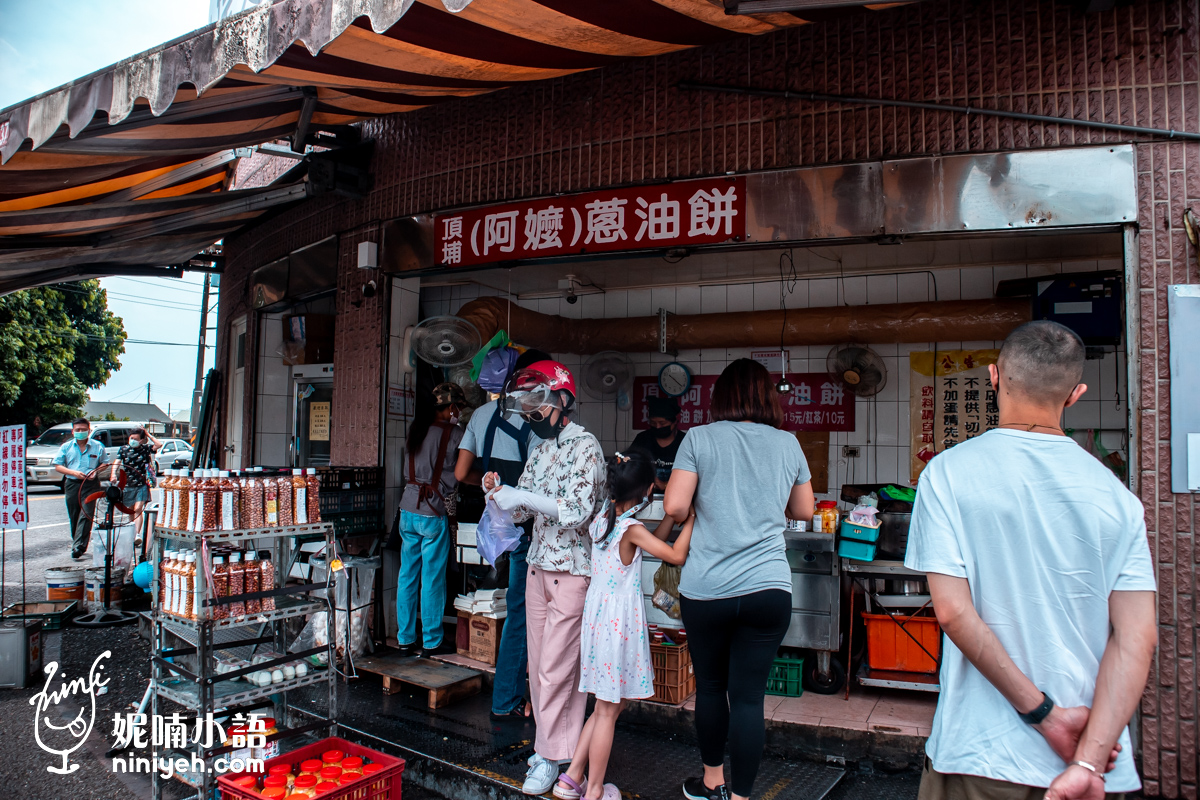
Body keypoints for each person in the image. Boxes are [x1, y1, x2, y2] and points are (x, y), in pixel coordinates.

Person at [905, 320, 1157, 800]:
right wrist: (1086, 758)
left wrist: (1045, 717)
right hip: (1092, 766)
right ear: (1075, 393)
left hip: (982, 754)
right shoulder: (1118, 499)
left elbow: (954, 612)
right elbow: (1137, 637)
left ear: (994, 377)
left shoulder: (948, 474)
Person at [663, 358, 815, 800]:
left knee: (711, 688)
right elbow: (804, 511)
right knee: (748, 698)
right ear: (767, 397)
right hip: (768, 588)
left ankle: (712, 785)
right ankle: (742, 798)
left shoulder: (699, 438)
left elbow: (674, 507)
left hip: (707, 588)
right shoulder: (788, 444)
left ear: (721, 398)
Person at [485, 360, 605, 796]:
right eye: (527, 409)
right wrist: (501, 492)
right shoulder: (539, 449)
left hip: (571, 571)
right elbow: (522, 512)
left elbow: (577, 510)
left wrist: (525, 495)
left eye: (538, 406)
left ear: (563, 400)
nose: (532, 416)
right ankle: (558, 752)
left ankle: (550, 758)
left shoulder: (586, 447)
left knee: (557, 669)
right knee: (540, 671)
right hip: (537, 565)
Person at [554, 449, 695, 800]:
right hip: (616, 624)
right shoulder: (630, 529)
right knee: (607, 710)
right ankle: (596, 790)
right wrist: (691, 521)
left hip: (599, 619)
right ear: (648, 491)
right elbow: (675, 555)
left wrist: (672, 521)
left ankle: (572, 778)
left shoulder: (606, 518)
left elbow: (652, 540)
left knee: (607, 705)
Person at [455, 347, 552, 721]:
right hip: (532, 529)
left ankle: (511, 697)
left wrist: (491, 484)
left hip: (502, 525)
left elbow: (462, 472)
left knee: (519, 611)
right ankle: (513, 700)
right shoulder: (535, 418)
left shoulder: (480, 415)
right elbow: (544, 482)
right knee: (528, 615)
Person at [397, 382, 466, 657]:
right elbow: (465, 468)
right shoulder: (454, 433)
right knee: (432, 578)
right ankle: (432, 641)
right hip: (432, 512)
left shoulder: (417, 428)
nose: (458, 412)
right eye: (458, 407)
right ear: (450, 407)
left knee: (407, 575)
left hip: (406, 511)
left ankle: (404, 639)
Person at [53, 418, 110, 559]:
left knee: (86, 513)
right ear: (73, 431)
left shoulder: (98, 446)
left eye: (83, 430)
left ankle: (79, 546)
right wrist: (73, 473)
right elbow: (58, 465)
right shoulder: (66, 447)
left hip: (91, 484)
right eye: (77, 430)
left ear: (89, 431)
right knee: (74, 514)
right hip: (72, 483)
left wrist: (95, 471)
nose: (80, 432)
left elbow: (105, 463)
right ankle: (76, 542)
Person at [110, 426, 161, 541]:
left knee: (138, 508)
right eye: (131, 437)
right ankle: (132, 533)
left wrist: (148, 434)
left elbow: (158, 445)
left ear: (141, 440)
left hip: (141, 483)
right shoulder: (123, 449)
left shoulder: (146, 448)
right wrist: (113, 473)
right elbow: (117, 462)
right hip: (127, 484)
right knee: (130, 509)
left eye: (135, 438)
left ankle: (137, 534)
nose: (132, 440)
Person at [629, 395, 687, 491]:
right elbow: (630, 467)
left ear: (675, 421)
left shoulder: (685, 442)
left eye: (662, 423)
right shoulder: (642, 439)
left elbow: (691, 477)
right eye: (653, 423)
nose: (658, 427)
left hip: (676, 498)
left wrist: (665, 485)